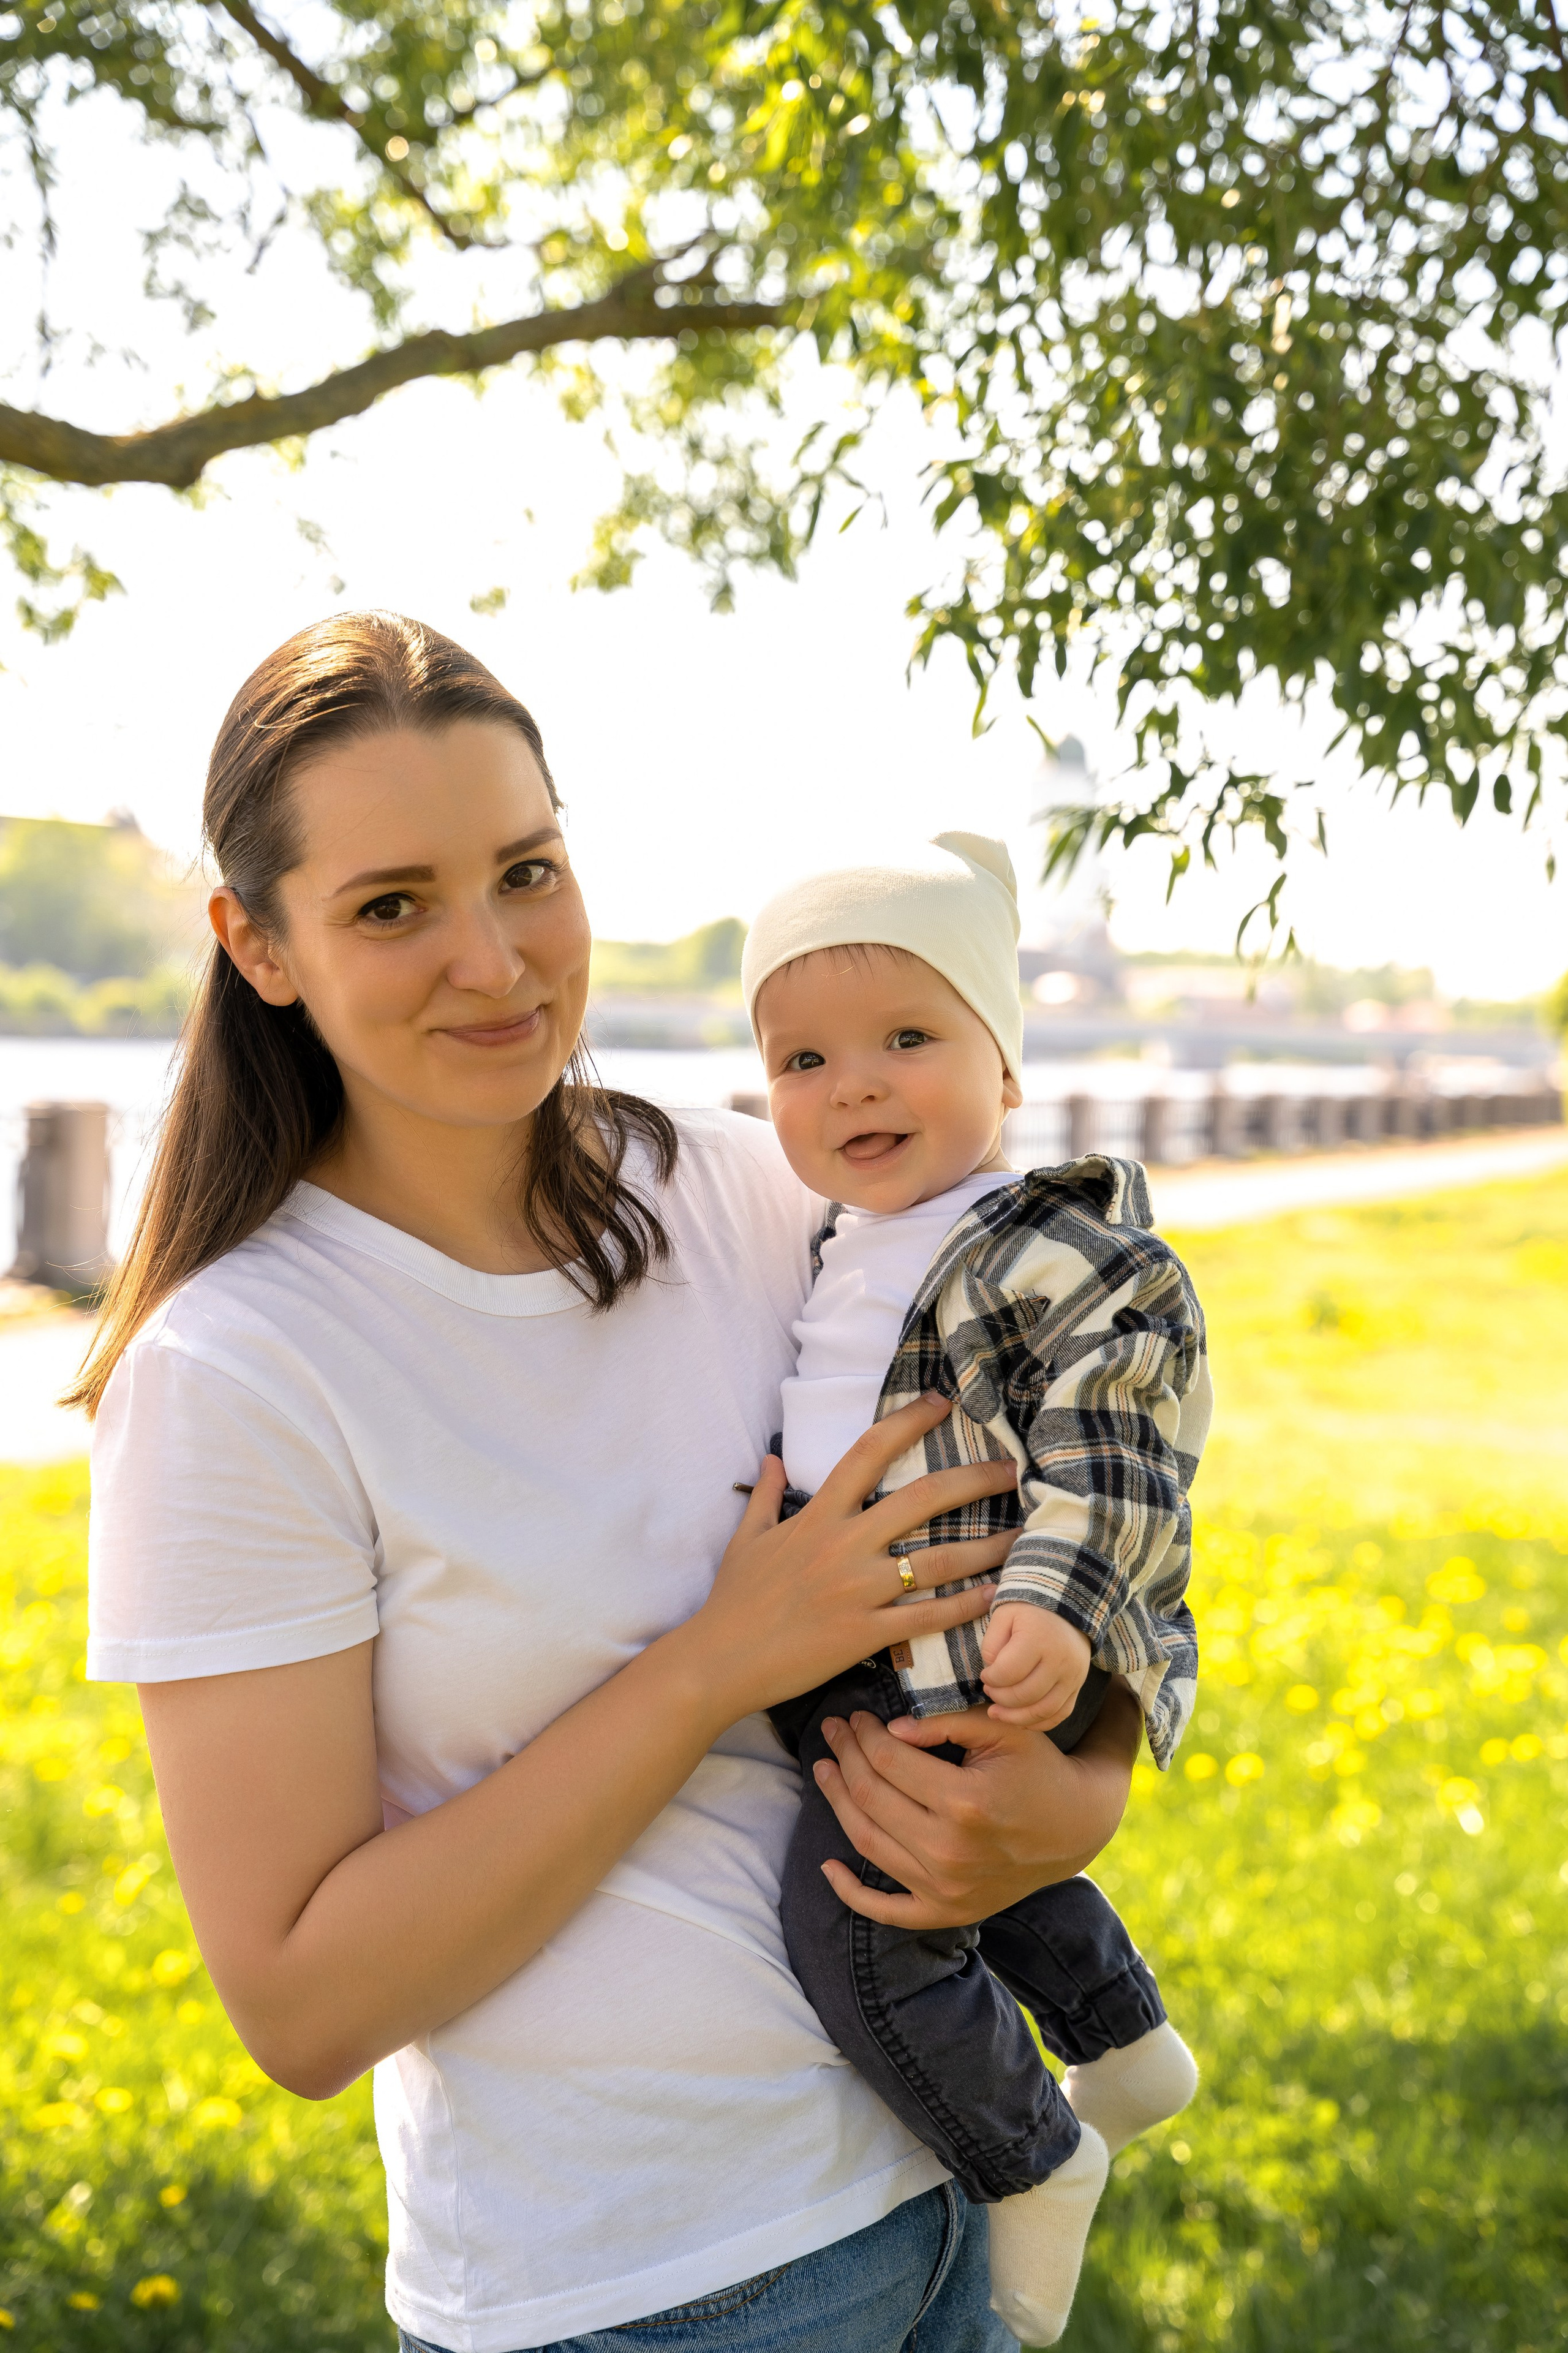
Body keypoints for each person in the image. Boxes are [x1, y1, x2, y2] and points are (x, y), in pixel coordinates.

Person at [72, 613, 1145, 2353]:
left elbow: (1089, 1473)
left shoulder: (752, 1190)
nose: (495, 962)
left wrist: (1078, 1788)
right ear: (256, 945)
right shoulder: (236, 1374)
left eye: (529, 870)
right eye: (393, 904)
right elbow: (300, 2000)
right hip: (637, 2295)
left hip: (945, 2195)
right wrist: (722, 1662)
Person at [741, 836, 1212, 2346]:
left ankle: (1032, 2155)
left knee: (862, 1923)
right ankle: (1121, 2039)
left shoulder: (1039, 1239)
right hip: (860, 1648)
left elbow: (1120, 1430)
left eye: (907, 1040)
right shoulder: (831, 1238)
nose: (856, 1086)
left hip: (970, 1643)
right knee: (960, 1862)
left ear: (1003, 1069)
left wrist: (1062, 1605)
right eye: (803, 1058)